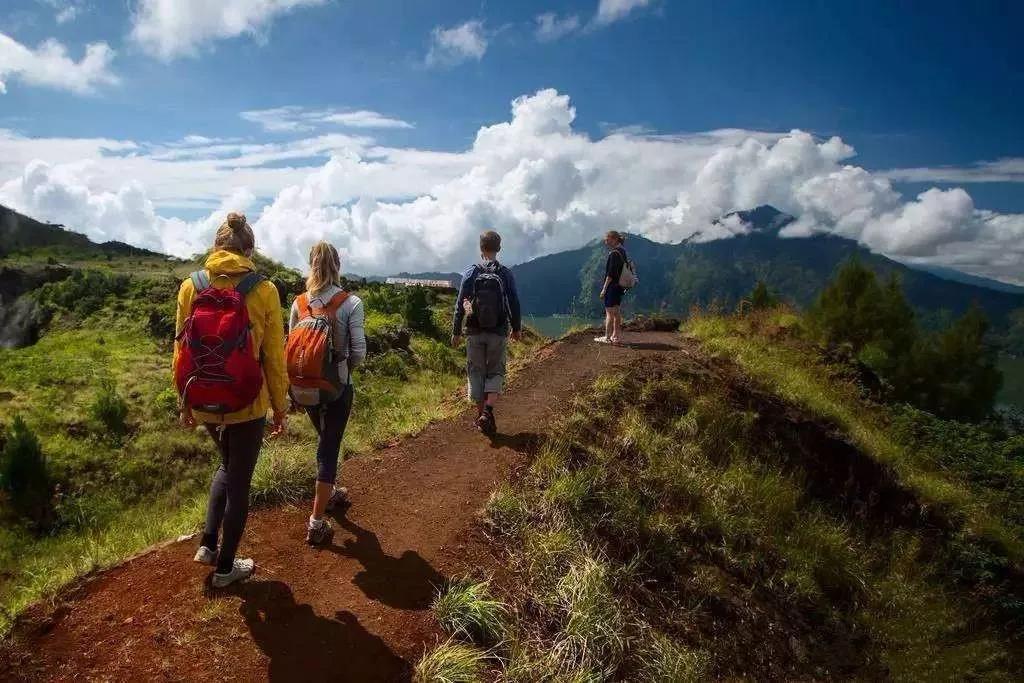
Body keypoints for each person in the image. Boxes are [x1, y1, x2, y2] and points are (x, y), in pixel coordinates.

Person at [174, 212, 289, 588]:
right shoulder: (264, 290)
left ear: (216, 247)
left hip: (203, 398)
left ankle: (208, 545)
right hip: (247, 403)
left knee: (226, 465)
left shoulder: (190, 286)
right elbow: (274, 356)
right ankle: (225, 569)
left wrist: (184, 402)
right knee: (239, 481)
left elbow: (179, 351)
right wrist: (280, 408)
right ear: (249, 251)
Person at [288, 241, 366, 545]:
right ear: (338, 265)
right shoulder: (351, 303)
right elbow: (359, 352)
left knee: (324, 439)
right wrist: (343, 373)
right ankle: (316, 522)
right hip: (336, 388)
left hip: (305, 387)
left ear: (311, 265)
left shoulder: (299, 304)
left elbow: (290, 347)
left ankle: (330, 491)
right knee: (329, 448)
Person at [451, 230, 522, 435]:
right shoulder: (505, 273)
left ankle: (481, 416)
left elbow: (460, 303)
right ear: (499, 248)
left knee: (476, 372)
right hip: (498, 331)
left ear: (481, 248)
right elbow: (514, 302)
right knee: (496, 370)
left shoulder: (471, 272)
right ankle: (488, 412)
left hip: (474, 330)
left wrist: (456, 331)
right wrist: (516, 328)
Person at [595, 230, 628, 345]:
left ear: (614, 239)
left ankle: (607, 337)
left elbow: (610, 274)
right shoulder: (622, 251)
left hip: (612, 287)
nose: (606, 242)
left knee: (609, 312)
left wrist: (604, 289)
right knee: (617, 312)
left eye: (607, 239)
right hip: (620, 286)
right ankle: (616, 336)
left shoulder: (614, 253)